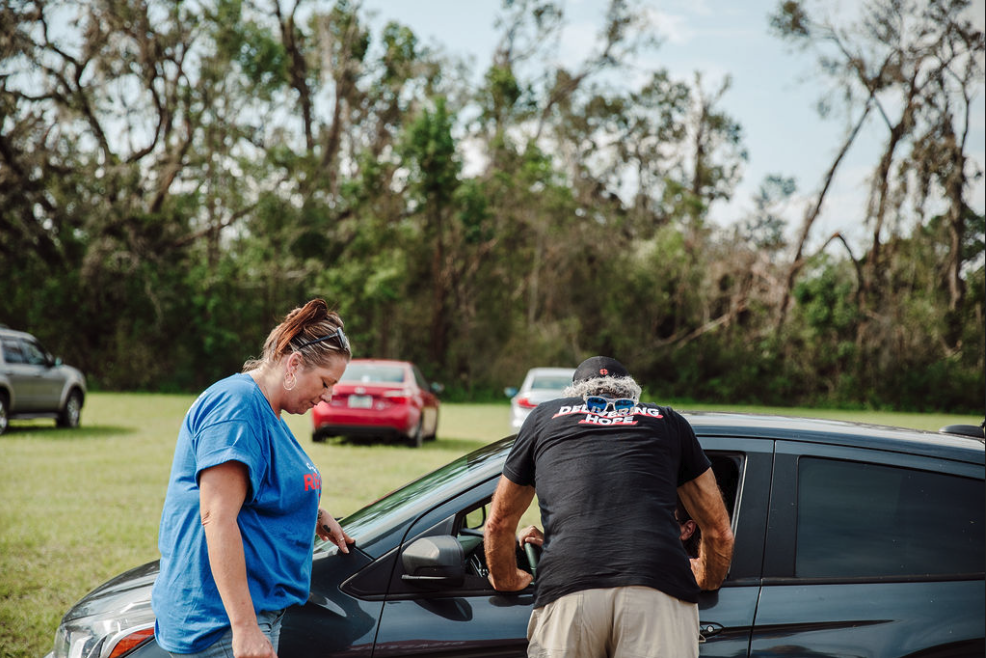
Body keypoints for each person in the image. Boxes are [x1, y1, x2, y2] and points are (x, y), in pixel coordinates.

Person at [485, 356, 734, 658]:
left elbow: (499, 522)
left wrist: (507, 579)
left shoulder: (545, 417)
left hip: (569, 588)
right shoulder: (669, 421)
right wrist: (707, 577)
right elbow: (718, 530)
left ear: (574, 397)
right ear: (632, 396)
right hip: (657, 587)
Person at [151, 299, 356, 658]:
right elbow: (217, 517)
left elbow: (258, 490)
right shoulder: (237, 407)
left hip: (252, 614)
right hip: (220, 623)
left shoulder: (267, 412)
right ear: (294, 363)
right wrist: (245, 628)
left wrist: (314, 515)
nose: (327, 396)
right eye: (325, 382)